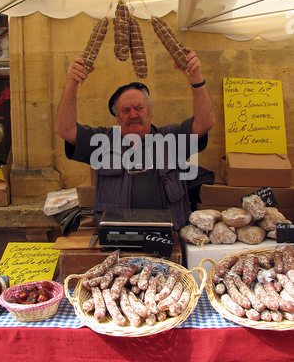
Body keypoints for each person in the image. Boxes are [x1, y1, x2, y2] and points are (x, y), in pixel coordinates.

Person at [55, 47, 215, 230]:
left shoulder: (171, 139)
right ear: (117, 116)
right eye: (125, 110)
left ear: (150, 111)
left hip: (169, 237)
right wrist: (72, 84)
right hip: (117, 237)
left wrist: (196, 80)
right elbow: (65, 129)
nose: (133, 115)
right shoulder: (103, 142)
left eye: (139, 108)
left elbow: (205, 122)